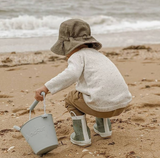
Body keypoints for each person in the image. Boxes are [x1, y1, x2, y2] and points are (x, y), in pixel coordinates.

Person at [34, 19, 132, 147]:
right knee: (98, 90)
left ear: (69, 45)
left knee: (71, 99)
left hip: (102, 106)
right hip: (120, 104)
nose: (66, 55)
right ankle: (104, 129)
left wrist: (46, 87)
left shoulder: (77, 55)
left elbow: (71, 74)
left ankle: (81, 137)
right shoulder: (98, 56)